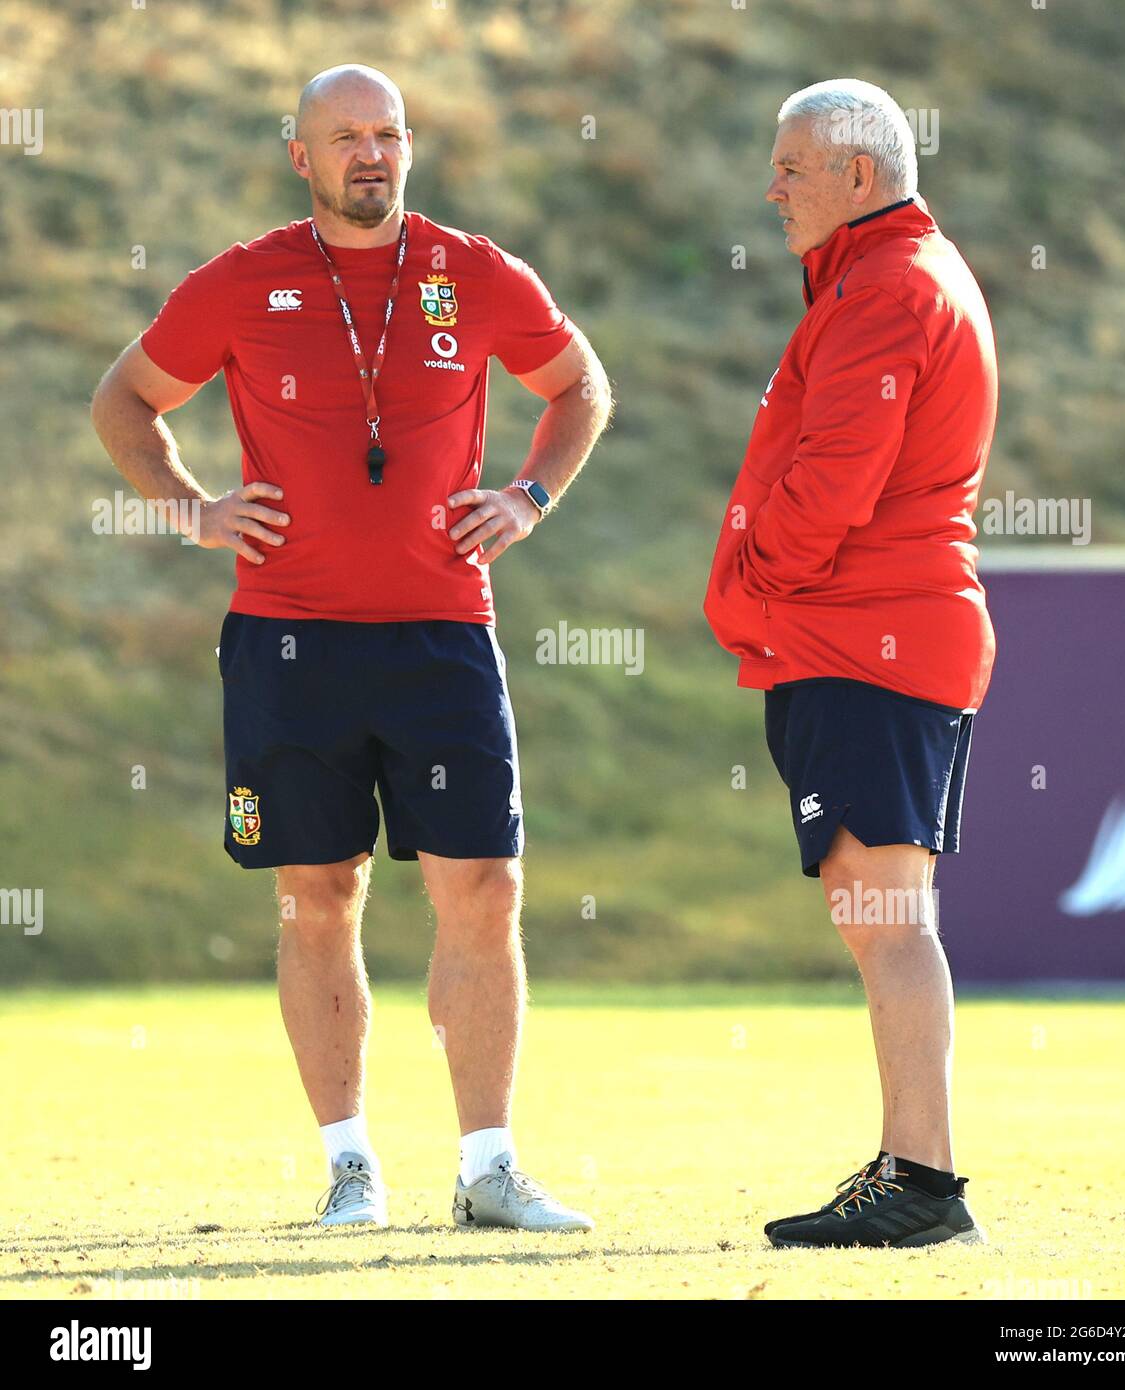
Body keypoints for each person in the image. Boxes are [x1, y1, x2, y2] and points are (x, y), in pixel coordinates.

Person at [91, 64, 611, 1233]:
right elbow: (124, 399)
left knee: (483, 887)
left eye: (386, 134)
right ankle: (350, 1169)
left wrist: (527, 496)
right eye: (344, 138)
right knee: (316, 894)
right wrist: (193, 508)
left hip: (443, 635)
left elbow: (578, 384)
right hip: (290, 643)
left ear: (409, 146)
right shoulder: (239, 282)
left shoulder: (472, 273)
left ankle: (488, 1166)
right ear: (301, 156)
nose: (369, 154)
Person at [704, 78, 998, 1248]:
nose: (770, 187)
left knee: (884, 913)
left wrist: (756, 577)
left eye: (790, 166)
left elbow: (833, 485)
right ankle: (909, 1169)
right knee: (879, 910)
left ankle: (922, 1183)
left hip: (864, 641)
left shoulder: (885, 290)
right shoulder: (884, 276)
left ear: (858, 177)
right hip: (861, 639)